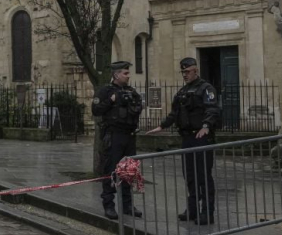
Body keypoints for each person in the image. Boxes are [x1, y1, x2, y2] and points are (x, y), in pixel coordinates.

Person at [146, 57, 221, 225]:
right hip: (187, 137)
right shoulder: (182, 92)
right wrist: (161, 126)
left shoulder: (206, 89)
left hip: (202, 138)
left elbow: (213, 109)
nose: (185, 75)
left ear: (196, 70)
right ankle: (192, 209)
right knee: (190, 176)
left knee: (203, 176)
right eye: (183, 72)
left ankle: (207, 212)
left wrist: (207, 125)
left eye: (187, 71)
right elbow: (175, 113)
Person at [92, 61, 144, 220]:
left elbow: (138, 108)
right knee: (110, 170)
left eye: (128, 73)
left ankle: (127, 205)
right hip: (113, 136)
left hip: (129, 136)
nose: (128, 76)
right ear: (116, 75)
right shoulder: (105, 91)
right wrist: (112, 100)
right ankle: (109, 204)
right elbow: (96, 110)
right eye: (125, 73)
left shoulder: (130, 91)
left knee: (129, 171)